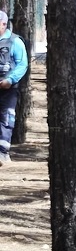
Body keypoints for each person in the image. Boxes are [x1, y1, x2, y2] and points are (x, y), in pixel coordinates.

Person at [0, 9, 25, 167]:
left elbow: (22, 64)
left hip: (7, 89)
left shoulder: (15, 41)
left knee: (6, 119)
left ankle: (2, 153)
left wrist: (10, 79)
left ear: (3, 24)